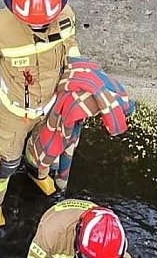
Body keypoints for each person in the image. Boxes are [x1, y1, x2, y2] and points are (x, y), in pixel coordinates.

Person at [0, 0, 81, 233]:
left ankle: (37, 173)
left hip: (51, 105)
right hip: (16, 113)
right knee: (4, 162)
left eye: (44, 21)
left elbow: (70, 42)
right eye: (32, 22)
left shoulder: (66, 16)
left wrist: (78, 65)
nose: (38, 26)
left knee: (46, 149)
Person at [25, 57, 135, 192]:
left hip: (59, 105)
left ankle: (55, 177)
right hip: (48, 110)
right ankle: (40, 172)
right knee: (48, 146)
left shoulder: (94, 88)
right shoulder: (72, 106)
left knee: (64, 140)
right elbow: (53, 141)